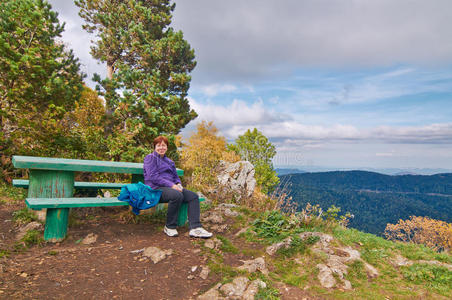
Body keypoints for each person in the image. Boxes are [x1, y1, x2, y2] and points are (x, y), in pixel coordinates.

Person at [143, 136, 212, 238]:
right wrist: (172, 185)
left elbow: (175, 177)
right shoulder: (150, 158)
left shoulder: (170, 162)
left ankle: (195, 228)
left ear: (167, 147)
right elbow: (153, 177)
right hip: (155, 189)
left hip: (171, 188)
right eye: (158, 145)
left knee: (193, 196)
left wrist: (178, 184)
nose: (161, 148)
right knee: (176, 195)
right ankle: (170, 226)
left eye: (164, 145)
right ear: (154, 147)